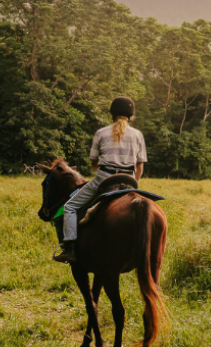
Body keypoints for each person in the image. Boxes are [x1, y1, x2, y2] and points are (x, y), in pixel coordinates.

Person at [53, 96, 147, 263]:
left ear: (112, 114)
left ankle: (69, 249)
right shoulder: (138, 135)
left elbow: (94, 163)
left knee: (70, 206)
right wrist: (134, 184)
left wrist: (102, 175)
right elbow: (139, 167)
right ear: (130, 116)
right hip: (129, 180)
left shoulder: (101, 133)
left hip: (104, 179)